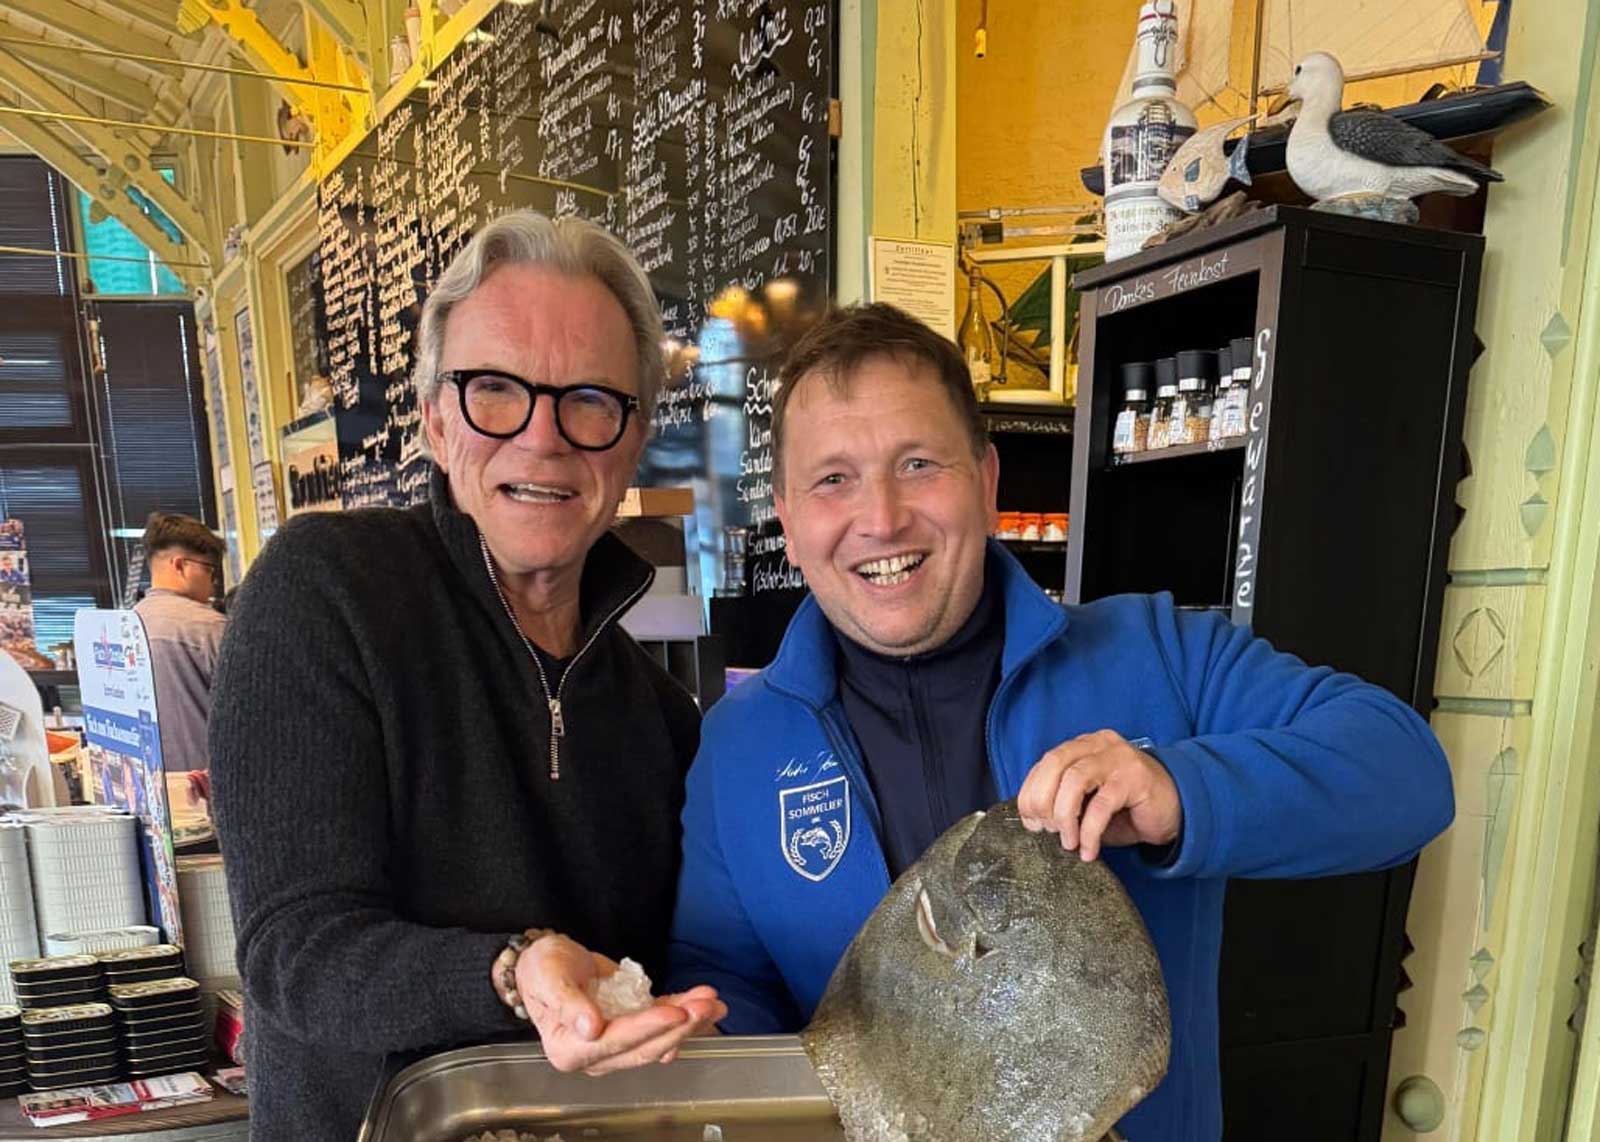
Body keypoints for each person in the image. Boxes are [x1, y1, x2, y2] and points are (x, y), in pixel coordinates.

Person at [666, 303, 1454, 1140]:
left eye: (919, 463)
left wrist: (1181, 790)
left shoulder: (1159, 652)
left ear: (987, 482)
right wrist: (695, 1034)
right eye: (833, 480)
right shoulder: (737, 744)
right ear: (788, 520)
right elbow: (724, 981)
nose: (882, 517)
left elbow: (1408, 776)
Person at [210, 212, 726, 1142]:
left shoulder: (663, 719)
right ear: (437, 421)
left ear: (635, 438)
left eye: (589, 400)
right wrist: (513, 969)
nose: (542, 437)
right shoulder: (326, 593)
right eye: (495, 390)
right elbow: (295, 953)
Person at [134, 513, 228, 774]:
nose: (213, 583)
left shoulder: (125, 625)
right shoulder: (211, 629)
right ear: (180, 565)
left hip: (146, 784)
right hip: (204, 785)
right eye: (209, 569)